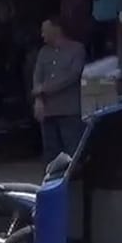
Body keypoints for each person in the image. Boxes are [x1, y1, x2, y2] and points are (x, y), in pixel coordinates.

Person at [32, 18, 87, 163]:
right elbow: (37, 76)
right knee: (51, 154)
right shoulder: (43, 53)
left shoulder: (77, 49)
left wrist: (43, 89)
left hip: (69, 111)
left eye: (45, 30)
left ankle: (76, 182)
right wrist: (38, 99)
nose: (42, 35)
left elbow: (72, 76)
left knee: (73, 152)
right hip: (48, 112)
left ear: (56, 29)